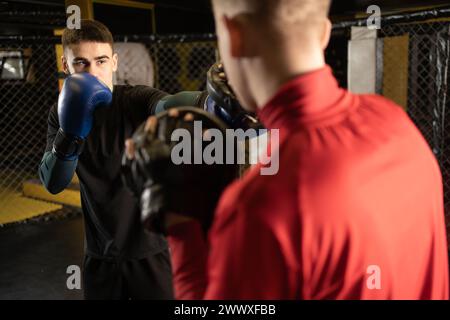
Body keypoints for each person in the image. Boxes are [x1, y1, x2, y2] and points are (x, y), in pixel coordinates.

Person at [127, 0, 449, 299]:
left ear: (233, 35)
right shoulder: (398, 123)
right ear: (323, 33)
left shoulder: (261, 205)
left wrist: (179, 225)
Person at [38, 19, 236, 299]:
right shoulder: (60, 114)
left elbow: (168, 104)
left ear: (115, 62)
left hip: (151, 252)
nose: (93, 73)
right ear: (65, 64)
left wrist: (210, 103)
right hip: (100, 256)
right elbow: (53, 183)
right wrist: (70, 134)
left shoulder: (135, 100)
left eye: (101, 61)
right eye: (81, 63)